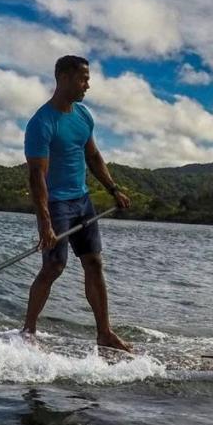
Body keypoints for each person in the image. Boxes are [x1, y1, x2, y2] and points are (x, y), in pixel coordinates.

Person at [22, 55, 132, 351]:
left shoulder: (83, 116)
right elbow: (37, 177)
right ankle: (28, 331)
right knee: (54, 266)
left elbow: (93, 156)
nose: (88, 85)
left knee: (94, 263)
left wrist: (113, 189)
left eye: (87, 78)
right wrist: (44, 223)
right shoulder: (41, 123)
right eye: (83, 78)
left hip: (82, 201)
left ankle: (104, 333)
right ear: (64, 78)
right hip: (56, 205)